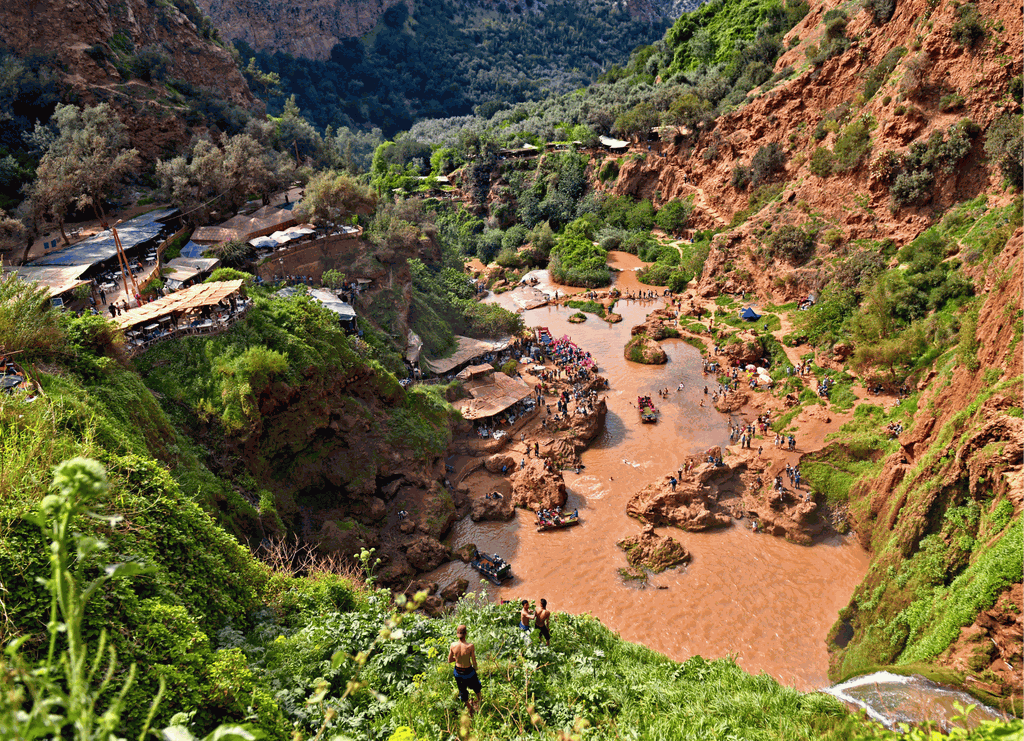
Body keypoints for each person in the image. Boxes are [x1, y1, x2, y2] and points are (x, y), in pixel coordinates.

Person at [448, 625, 482, 714]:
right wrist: (476, 668)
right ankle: (480, 701)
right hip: (468, 671)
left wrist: (458, 658)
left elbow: (449, 660)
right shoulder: (470, 646)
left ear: (457, 634)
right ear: (466, 633)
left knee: (462, 690)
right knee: (476, 686)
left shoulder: (453, 645)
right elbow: (474, 661)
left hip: (458, 672)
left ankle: (469, 707)